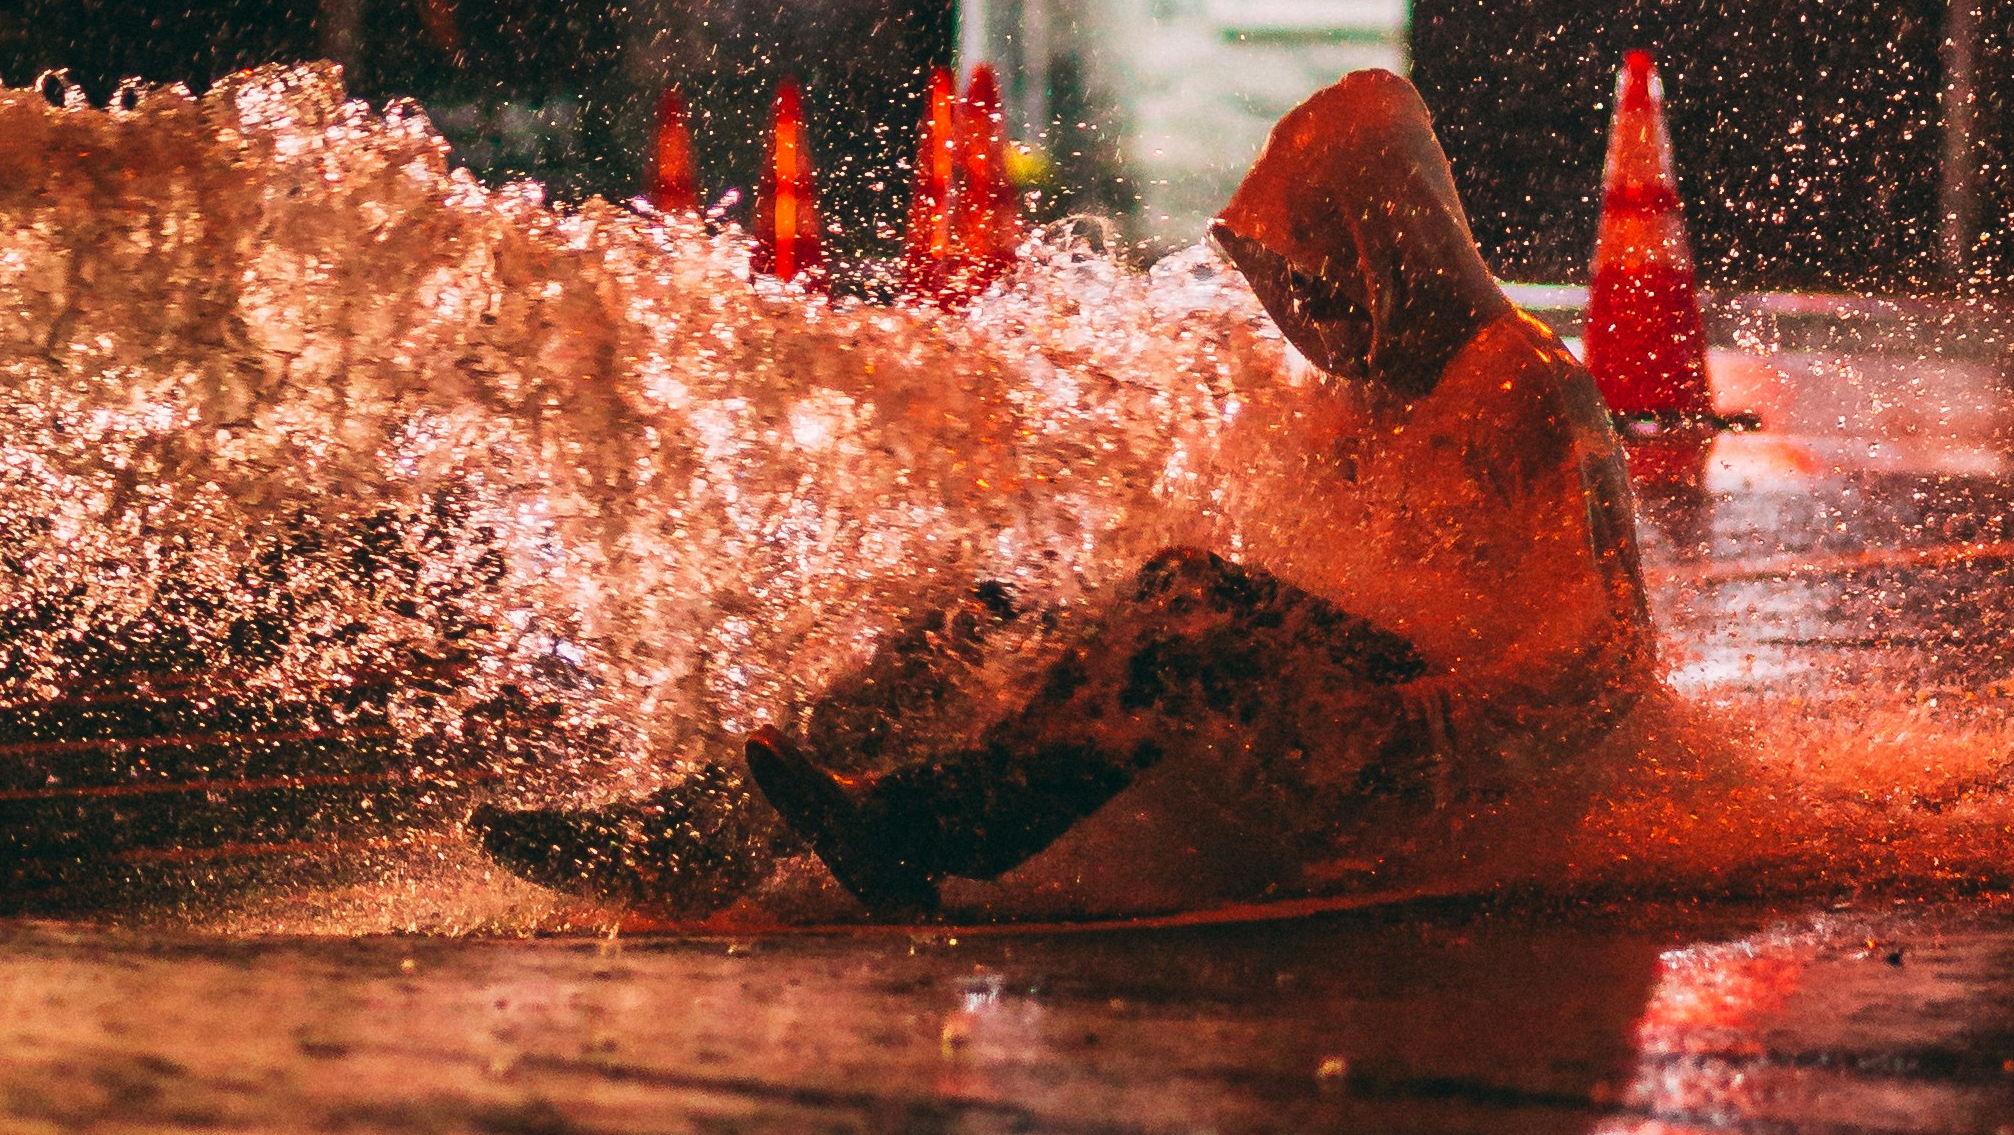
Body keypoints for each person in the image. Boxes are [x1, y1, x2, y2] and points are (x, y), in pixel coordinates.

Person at [475, 72, 1652, 919]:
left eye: (1319, 280)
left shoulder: (1524, 387)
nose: (1303, 319)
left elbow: (1598, 653)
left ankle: (925, 828)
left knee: (1184, 599)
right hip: (1347, 723)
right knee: (1005, 601)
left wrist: (1412, 737)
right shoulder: (1347, 397)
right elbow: (1292, 571)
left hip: (1431, 763)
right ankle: (702, 833)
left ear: (1389, 244)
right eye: (1288, 289)